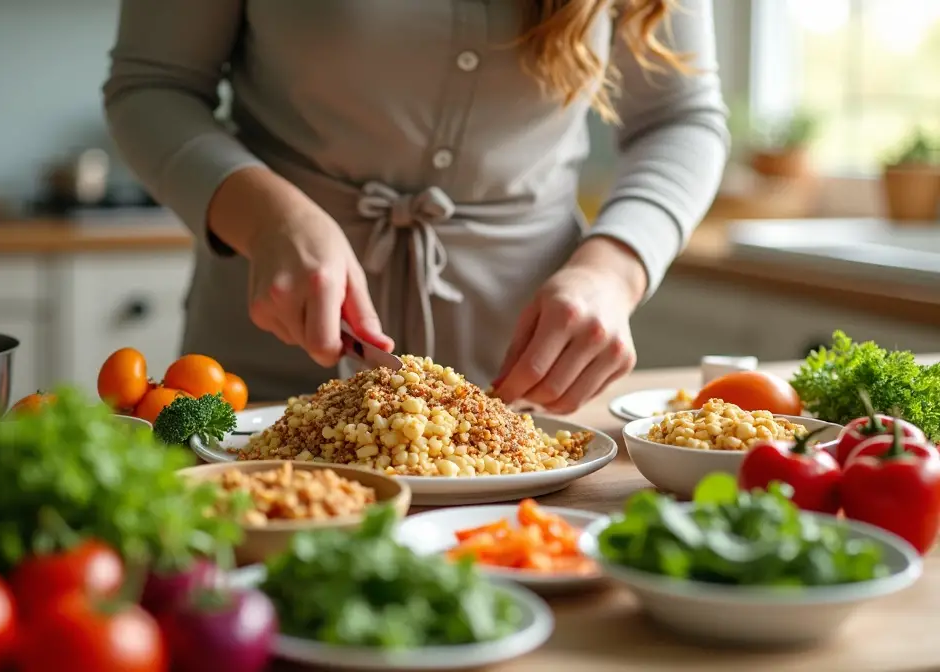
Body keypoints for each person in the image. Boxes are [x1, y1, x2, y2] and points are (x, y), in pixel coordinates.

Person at [103, 0, 728, 413]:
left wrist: (612, 271)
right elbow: (151, 87)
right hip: (264, 370)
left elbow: (680, 117)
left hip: (524, 385)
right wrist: (270, 219)